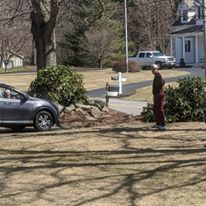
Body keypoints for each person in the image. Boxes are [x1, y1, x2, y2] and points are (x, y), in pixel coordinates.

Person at [151, 64, 166, 130]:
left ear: (157, 69)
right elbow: (163, 81)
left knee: (159, 109)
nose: (153, 70)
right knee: (155, 109)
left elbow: (162, 82)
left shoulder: (158, 75)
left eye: (154, 69)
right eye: (152, 69)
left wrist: (159, 91)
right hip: (156, 94)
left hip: (159, 95)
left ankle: (163, 125)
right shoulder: (156, 75)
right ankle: (158, 124)